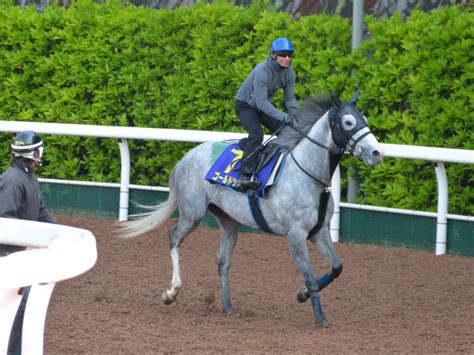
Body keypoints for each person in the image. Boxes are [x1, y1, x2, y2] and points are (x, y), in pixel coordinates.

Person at [0, 130, 56, 354]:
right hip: (9, 257)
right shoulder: (12, 180)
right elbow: (5, 218)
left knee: (22, 309)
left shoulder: (28, 177)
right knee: (16, 310)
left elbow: (41, 213)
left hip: (20, 256)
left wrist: (60, 233)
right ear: (34, 152)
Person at [235, 37, 298, 190]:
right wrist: (284, 116)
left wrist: (295, 114)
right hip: (245, 106)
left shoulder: (290, 73)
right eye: (283, 54)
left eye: (290, 55)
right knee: (257, 134)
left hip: (261, 107)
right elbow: (262, 102)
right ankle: (244, 176)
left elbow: (289, 98)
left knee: (288, 131)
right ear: (274, 55)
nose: (287, 58)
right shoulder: (262, 71)